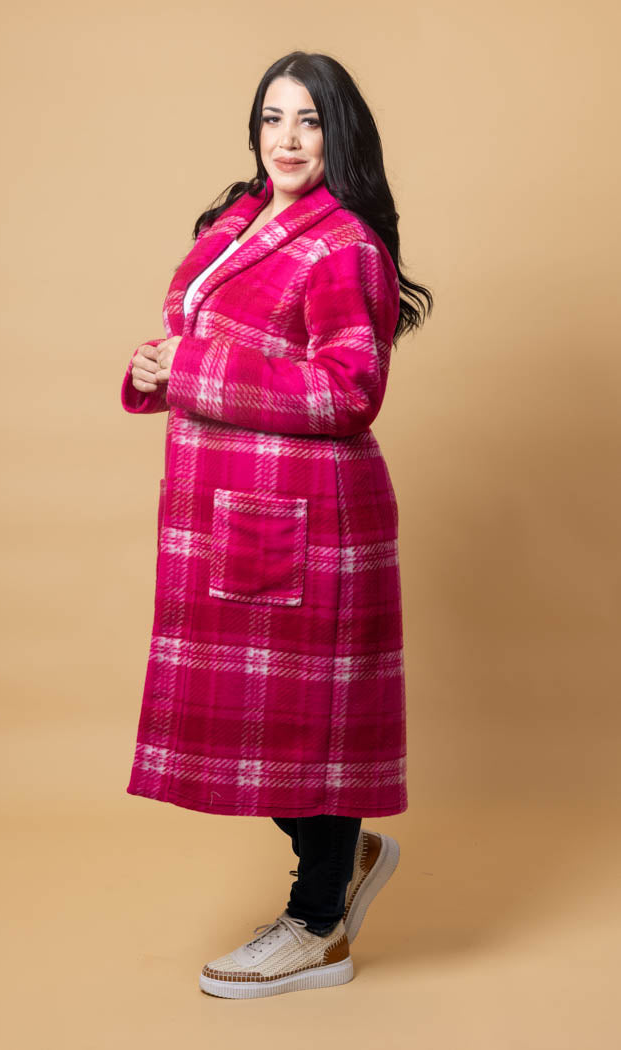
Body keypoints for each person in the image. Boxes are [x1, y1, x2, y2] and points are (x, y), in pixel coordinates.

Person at [120, 51, 432, 999]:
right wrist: (158, 367)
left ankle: (318, 924)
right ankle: (345, 858)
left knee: (307, 731)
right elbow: (212, 340)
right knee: (246, 725)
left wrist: (192, 369)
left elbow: (348, 391)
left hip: (308, 517)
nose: (287, 139)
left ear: (340, 132)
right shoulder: (240, 220)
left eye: (308, 120)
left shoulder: (345, 245)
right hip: (227, 510)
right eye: (272, 118)